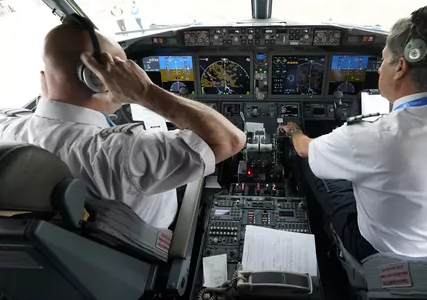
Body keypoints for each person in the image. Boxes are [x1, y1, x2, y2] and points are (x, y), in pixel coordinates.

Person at [280, 3, 427, 261]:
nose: (378, 69)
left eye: (382, 59)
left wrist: (294, 130)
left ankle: (325, 239)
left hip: (379, 253)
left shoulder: (373, 136)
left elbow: (303, 148)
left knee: (312, 165)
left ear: (400, 67)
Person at [0, 21, 246, 229]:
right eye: (124, 71)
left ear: (43, 79)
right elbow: (230, 139)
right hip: (160, 236)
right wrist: (146, 92)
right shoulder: (122, 153)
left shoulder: (6, 130)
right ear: (99, 81)